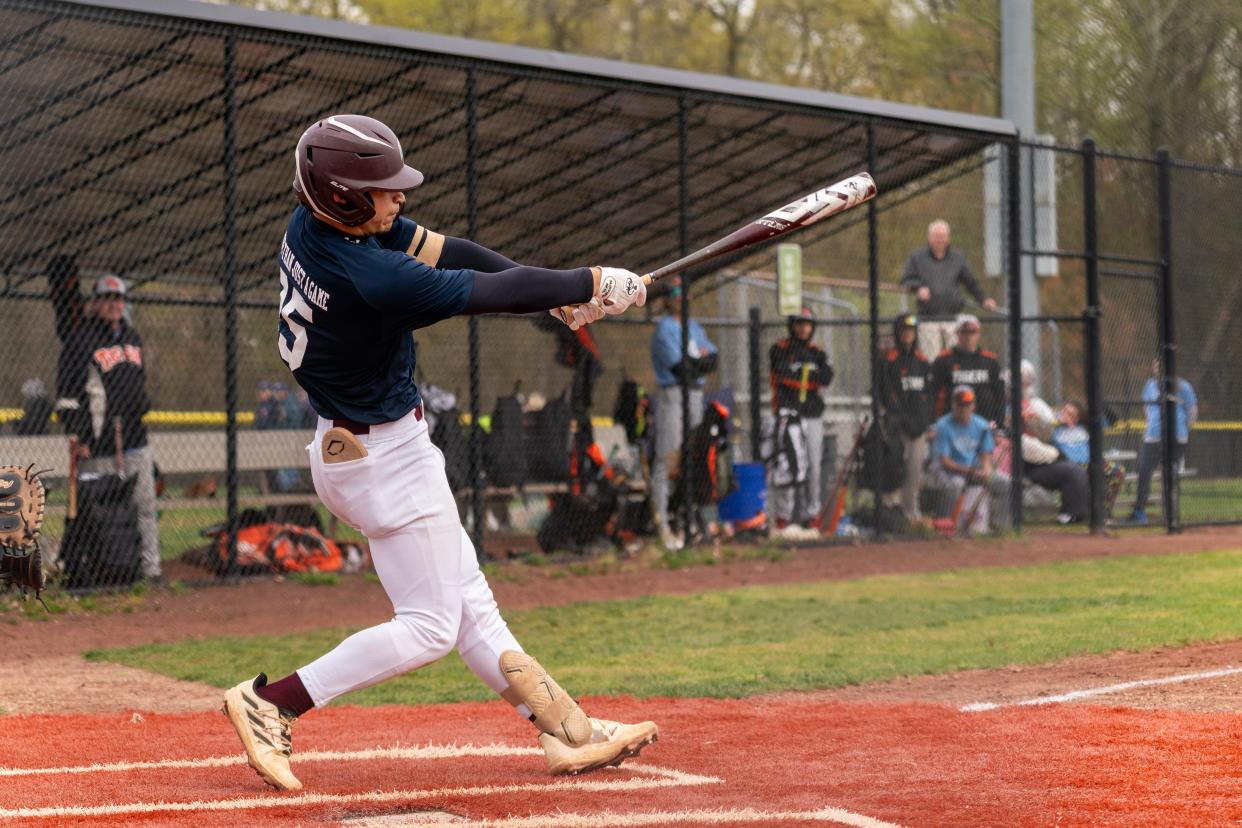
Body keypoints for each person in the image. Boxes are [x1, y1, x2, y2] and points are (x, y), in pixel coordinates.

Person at [221, 114, 657, 792]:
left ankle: (565, 731)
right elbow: (491, 293)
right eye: (382, 188)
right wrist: (587, 282)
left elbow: (460, 253)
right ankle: (275, 702)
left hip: (357, 449)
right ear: (342, 195)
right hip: (384, 461)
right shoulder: (372, 276)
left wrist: (561, 298)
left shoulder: (316, 226)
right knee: (430, 628)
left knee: (470, 607)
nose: (398, 198)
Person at [52, 271, 161, 582]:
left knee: (144, 507)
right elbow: (68, 396)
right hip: (97, 442)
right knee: (96, 512)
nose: (114, 304)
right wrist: (78, 435)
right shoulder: (80, 341)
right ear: (95, 302)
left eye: (119, 298)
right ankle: (100, 571)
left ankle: (149, 571)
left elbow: (138, 383)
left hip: (135, 439)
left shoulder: (132, 337)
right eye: (108, 298)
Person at [649, 278, 717, 549]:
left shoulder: (694, 327)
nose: (681, 299)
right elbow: (681, 368)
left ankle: (688, 522)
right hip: (674, 395)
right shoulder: (664, 329)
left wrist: (697, 363)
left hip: (696, 396)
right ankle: (662, 522)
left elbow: (713, 360)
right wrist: (697, 362)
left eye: (684, 293)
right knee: (670, 457)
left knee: (694, 457)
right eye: (675, 294)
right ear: (667, 300)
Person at [767, 306, 833, 527]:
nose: (804, 328)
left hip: (812, 415)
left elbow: (826, 377)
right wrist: (807, 377)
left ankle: (811, 513)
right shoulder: (780, 349)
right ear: (792, 325)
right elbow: (784, 375)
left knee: (813, 465)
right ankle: (783, 516)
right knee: (788, 464)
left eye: (808, 324)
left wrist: (805, 376)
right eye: (799, 323)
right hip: (789, 415)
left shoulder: (818, 352)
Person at [899, 219, 997, 358]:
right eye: (936, 236)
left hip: (952, 318)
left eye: (943, 236)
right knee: (932, 359)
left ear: (948, 238)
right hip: (928, 319)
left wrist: (984, 300)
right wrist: (918, 288)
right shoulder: (917, 258)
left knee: (955, 358)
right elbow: (905, 280)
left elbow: (971, 282)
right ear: (929, 237)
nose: (940, 240)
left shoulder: (958, 258)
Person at [926, 386, 1011, 535]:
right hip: (947, 470)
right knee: (956, 484)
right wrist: (973, 471)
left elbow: (986, 454)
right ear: (952, 405)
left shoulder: (981, 425)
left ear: (973, 405)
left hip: (974, 469)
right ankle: (947, 526)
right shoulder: (943, 425)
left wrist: (985, 469)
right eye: (960, 404)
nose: (963, 408)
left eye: (967, 404)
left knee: (1005, 482)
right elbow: (945, 461)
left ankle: (1001, 528)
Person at [875, 314, 933, 523]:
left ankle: (910, 512)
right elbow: (886, 393)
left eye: (911, 330)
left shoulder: (922, 360)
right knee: (893, 466)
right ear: (898, 333)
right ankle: (890, 510)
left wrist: (924, 420)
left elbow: (928, 394)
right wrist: (900, 417)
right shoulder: (888, 360)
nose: (908, 334)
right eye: (904, 330)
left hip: (917, 426)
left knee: (914, 469)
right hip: (896, 426)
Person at [1128, 358, 1198, 525]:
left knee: (1170, 474)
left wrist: (1183, 430)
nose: (1159, 368)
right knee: (1144, 471)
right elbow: (1147, 408)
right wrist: (1152, 424)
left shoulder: (1183, 386)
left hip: (1176, 437)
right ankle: (1139, 512)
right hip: (1153, 436)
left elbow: (1192, 412)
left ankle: (1170, 513)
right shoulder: (1150, 385)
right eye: (1156, 365)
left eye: (1163, 365)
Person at [930, 314, 1004, 423]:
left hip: (986, 422)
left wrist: (999, 421)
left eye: (972, 332)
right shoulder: (944, 359)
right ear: (957, 333)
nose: (968, 336)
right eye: (964, 332)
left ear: (978, 334)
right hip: (952, 423)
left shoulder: (990, 360)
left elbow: (1000, 394)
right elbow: (933, 393)